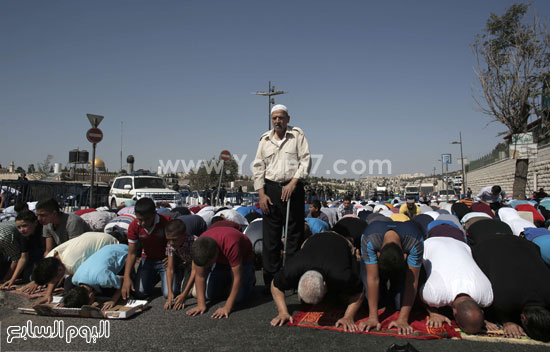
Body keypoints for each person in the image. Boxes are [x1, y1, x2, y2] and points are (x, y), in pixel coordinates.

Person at [252, 104, 311, 290]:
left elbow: (306, 160)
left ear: (288, 119)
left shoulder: (297, 136)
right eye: (274, 118)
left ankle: (292, 278)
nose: (278, 121)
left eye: (281, 117)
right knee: (271, 238)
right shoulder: (264, 140)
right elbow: (258, 168)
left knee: (294, 235)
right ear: (272, 120)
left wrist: (293, 183)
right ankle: (272, 281)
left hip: (293, 187)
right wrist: (261, 194)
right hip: (271, 190)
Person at [270, 231, 364, 331]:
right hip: (312, 240)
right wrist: (283, 312)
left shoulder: (342, 275)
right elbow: (275, 285)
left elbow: (360, 290)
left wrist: (348, 316)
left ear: (325, 284)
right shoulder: (292, 270)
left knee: (345, 296)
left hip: (342, 241)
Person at [470, 232, 550, 341]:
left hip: (523, 243)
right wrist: (506, 321)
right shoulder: (503, 302)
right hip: (487, 245)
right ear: (523, 317)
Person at [360, 221, 424, 335]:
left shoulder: (415, 242)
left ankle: (395, 284)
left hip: (400, 265)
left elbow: (411, 282)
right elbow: (373, 278)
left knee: (399, 304)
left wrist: (403, 319)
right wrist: (373, 317)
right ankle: (383, 289)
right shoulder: (369, 239)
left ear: (405, 257)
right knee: (368, 300)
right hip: (378, 259)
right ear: (378, 255)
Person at [420, 237, 493, 334]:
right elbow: (416, 293)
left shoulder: (486, 296)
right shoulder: (435, 294)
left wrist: (480, 320)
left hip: (461, 244)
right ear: (454, 313)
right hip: (429, 243)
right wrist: (433, 313)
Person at [28, 231, 118, 304]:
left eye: (54, 280)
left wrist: (88, 294)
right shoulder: (50, 258)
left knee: (102, 285)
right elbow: (52, 276)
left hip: (109, 244)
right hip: (91, 238)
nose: (53, 283)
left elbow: (89, 277)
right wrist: (48, 294)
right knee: (70, 287)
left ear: (59, 270)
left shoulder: (72, 264)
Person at [186, 226, 255, 319]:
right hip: (221, 261)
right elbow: (200, 276)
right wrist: (201, 304)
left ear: (216, 253)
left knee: (239, 298)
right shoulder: (199, 248)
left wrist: (227, 307)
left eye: (209, 264)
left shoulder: (231, 244)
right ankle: (227, 282)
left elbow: (237, 278)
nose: (206, 267)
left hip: (243, 259)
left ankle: (250, 278)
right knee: (209, 295)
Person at [122, 197, 172, 300]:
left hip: (164, 260)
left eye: (147, 219)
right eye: (140, 219)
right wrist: (127, 277)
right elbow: (132, 253)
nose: (143, 223)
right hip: (148, 259)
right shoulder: (133, 226)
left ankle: (167, 276)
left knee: (168, 294)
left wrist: (172, 258)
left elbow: (175, 244)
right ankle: (154, 277)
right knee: (140, 293)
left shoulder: (166, 222)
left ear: (154, 214)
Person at [64, 244, 128, 310]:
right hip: (108, 249)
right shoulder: (75, 279)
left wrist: (113, 300)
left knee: (114, 291)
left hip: (124, 252)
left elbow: (124, 281)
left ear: (91, 296)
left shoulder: (103, 279)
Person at [0, 211, 44, 289]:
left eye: (24, 226)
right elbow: (23, 258)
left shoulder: (43, 231)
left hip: (44, 255)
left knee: (33, 278)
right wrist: (12, 279)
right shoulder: (23, 235)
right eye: (19, 227)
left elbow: (48, 252)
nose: (21, 230)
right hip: (33, 254)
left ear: (35, 223)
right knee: (28, 277)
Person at [164, 219, 197, 310]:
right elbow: (170, 268)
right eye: (169, 240)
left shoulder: (194, 242)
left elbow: (195, 270)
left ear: (184, 235)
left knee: (193, 294)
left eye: (174, 240)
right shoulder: (171, 244)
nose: (171, 243)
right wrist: (170, 292)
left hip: (200, 267)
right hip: (187, 265)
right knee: (169, 293)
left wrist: (184, 295)